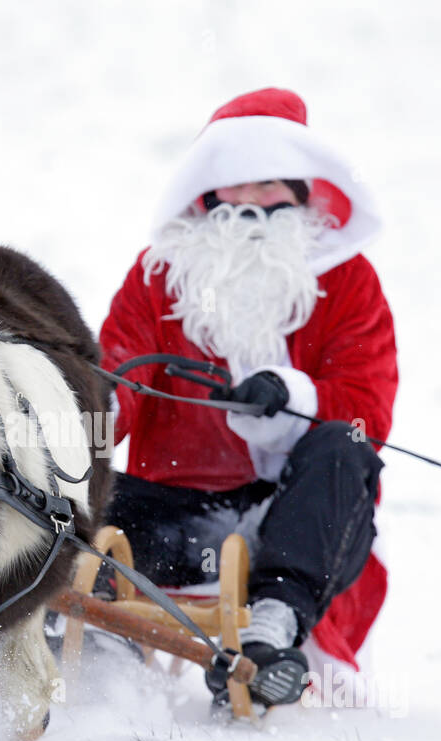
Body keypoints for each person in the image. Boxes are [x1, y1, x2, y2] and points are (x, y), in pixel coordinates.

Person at [99, 87, 398, 708]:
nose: (253, 205)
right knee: (82, 498)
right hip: (174, 511)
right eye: (237, 187)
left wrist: (294, 398)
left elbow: (370, 404)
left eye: (269, 186)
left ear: (300, 187)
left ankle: (272, 629)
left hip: (290, 520)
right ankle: (99, 653)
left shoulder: (348, 278)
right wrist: (81, 414)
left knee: (347, 449)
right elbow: (117, 373)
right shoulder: (157, 276)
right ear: (207, 192)